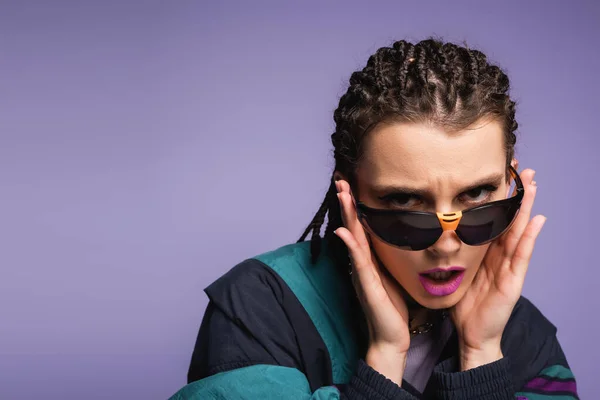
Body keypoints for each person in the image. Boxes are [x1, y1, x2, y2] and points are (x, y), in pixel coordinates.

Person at [169, 39, 578, 399]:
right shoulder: (262, 306)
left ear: (510, 187)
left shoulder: (526, 336)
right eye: (404, 201)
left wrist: (483, 353)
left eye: (477, 195)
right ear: (348, 193)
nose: (447, 243)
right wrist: (384, 357)